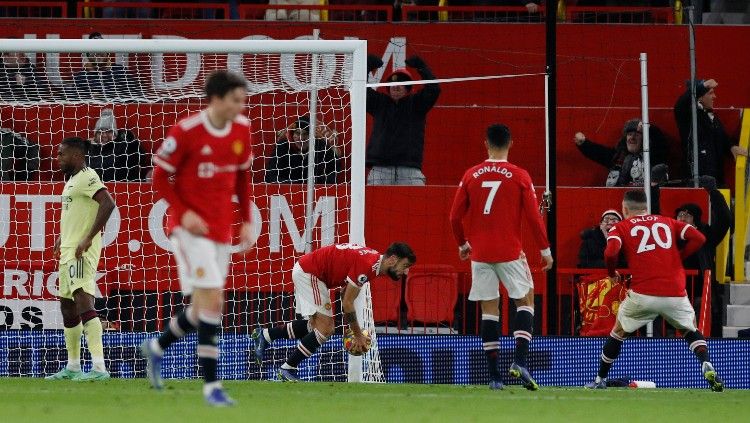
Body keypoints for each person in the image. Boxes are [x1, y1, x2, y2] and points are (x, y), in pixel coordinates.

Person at [140, 70, 256, 406]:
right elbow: (159, 177)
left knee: (201, 307)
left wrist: (246, 220)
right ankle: (211, 387)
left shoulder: (242, 130)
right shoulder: (187, 131)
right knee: (213, 301)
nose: (242, 106)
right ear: (217, 99)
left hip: (220, 230)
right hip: (189, 231)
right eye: (236, 99)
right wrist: (182, 211)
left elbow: (242, 178)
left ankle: (157, 346)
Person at [585, 190, 723, 392]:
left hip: (644, 292)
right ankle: (706, 364)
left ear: (624, 208)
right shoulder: (667, 222)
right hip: (675, 291)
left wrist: (612, 271)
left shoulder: (621, 227)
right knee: (690, 329)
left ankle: (599, 379)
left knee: (618, 332)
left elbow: (611, 251)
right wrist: (680, 257)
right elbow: (699, 238)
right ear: (645, 207)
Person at [449, 124, 553, 391]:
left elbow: (453, 216)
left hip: (480, 253)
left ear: (486, 143)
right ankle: (519, 361)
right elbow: (533, 217)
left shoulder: (471, 174)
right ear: (511, 143)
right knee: (526, 300)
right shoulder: (519, 175)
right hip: (509, 251)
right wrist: (545, 250)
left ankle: (495, 377)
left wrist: (463, 244)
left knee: (489, 310)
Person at [252, 242, 416, 381]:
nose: (406, 272)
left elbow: (346, 293)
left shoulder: (372, 262)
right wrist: (357, 334)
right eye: (405, 266)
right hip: (310, 273)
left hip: (309, 271)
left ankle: (266, 335)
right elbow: (347, 303)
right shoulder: (369, 265)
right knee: (327, 328)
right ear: (393, 259)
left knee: (315, 326)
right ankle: (288, 368)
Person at [45, 137, 116, 382]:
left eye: (61, 154)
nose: (58, 158)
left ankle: (99, 368)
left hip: (81, 252)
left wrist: (87, 239)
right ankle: (73, 367)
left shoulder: (88, 176)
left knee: (84, 302)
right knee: (67, 306)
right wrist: (61, 238)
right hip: (67, 250)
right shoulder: (72, 181)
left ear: (76, 155)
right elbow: (74, 217)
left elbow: (108, 203)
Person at [365, 54, 440, 185]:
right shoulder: (379, 103)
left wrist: (422, 68)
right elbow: (359, 91)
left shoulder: (417, 103)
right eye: (393, 84)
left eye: (401, 83)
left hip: (410, 170)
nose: (396, 86)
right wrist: (366, 67)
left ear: (408, 88)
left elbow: (434, 89)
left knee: (417, 206)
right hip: (380, 171)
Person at [674, 175, 731, 337]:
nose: (682, 218)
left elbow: (725, 219)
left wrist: (713, 192)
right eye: (679, 215)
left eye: (687, 215)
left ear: (696, 222)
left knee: (699, 333)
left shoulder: (706, 238)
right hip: (673, 295)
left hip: (699, 296)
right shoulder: (667, 237)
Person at [674, 78, 747, 186]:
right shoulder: (687, 116)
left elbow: (720, 136)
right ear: (700, 97)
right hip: (696, 181)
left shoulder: (710, 116)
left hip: (715, 180)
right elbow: (681, 104)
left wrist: (731, 147)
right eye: (710, 93)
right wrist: (703, 86)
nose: (714, 96)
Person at [574, 119, 667, 187]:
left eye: (637, 134)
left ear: (645, 140)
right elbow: (598, 152)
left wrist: (648, 128)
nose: (632, 137)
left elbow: (661, 142)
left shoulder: (654, 156)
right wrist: (584, 143)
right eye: (629, 134)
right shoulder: (618, 156)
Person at [264, 115, 343, 184]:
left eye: (305, 134)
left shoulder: (321, 146)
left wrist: (318, 183)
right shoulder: (282, 147)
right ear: (292, 134)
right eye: (297, 133)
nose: (301, 138)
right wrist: (292, 185)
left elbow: (335, 170)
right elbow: (270, 175)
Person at [69, 32, 143, 101]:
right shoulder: (81, 77)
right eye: (93, 51)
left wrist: (109, 96)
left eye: (101, 49)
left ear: (107, 53)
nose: (97, 53)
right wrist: (91, 97)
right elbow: (74, 101)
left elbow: (137, 96)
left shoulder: (121, 72)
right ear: (88, 55)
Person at [87, 108, 149, 181]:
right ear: (95, 134)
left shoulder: (123, 147)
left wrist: (128, 139)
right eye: (100, 132)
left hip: (121, 187)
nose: (104, 135)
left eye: (109, 131)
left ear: (115, 134)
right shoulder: (88, 150)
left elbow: (140, 158)